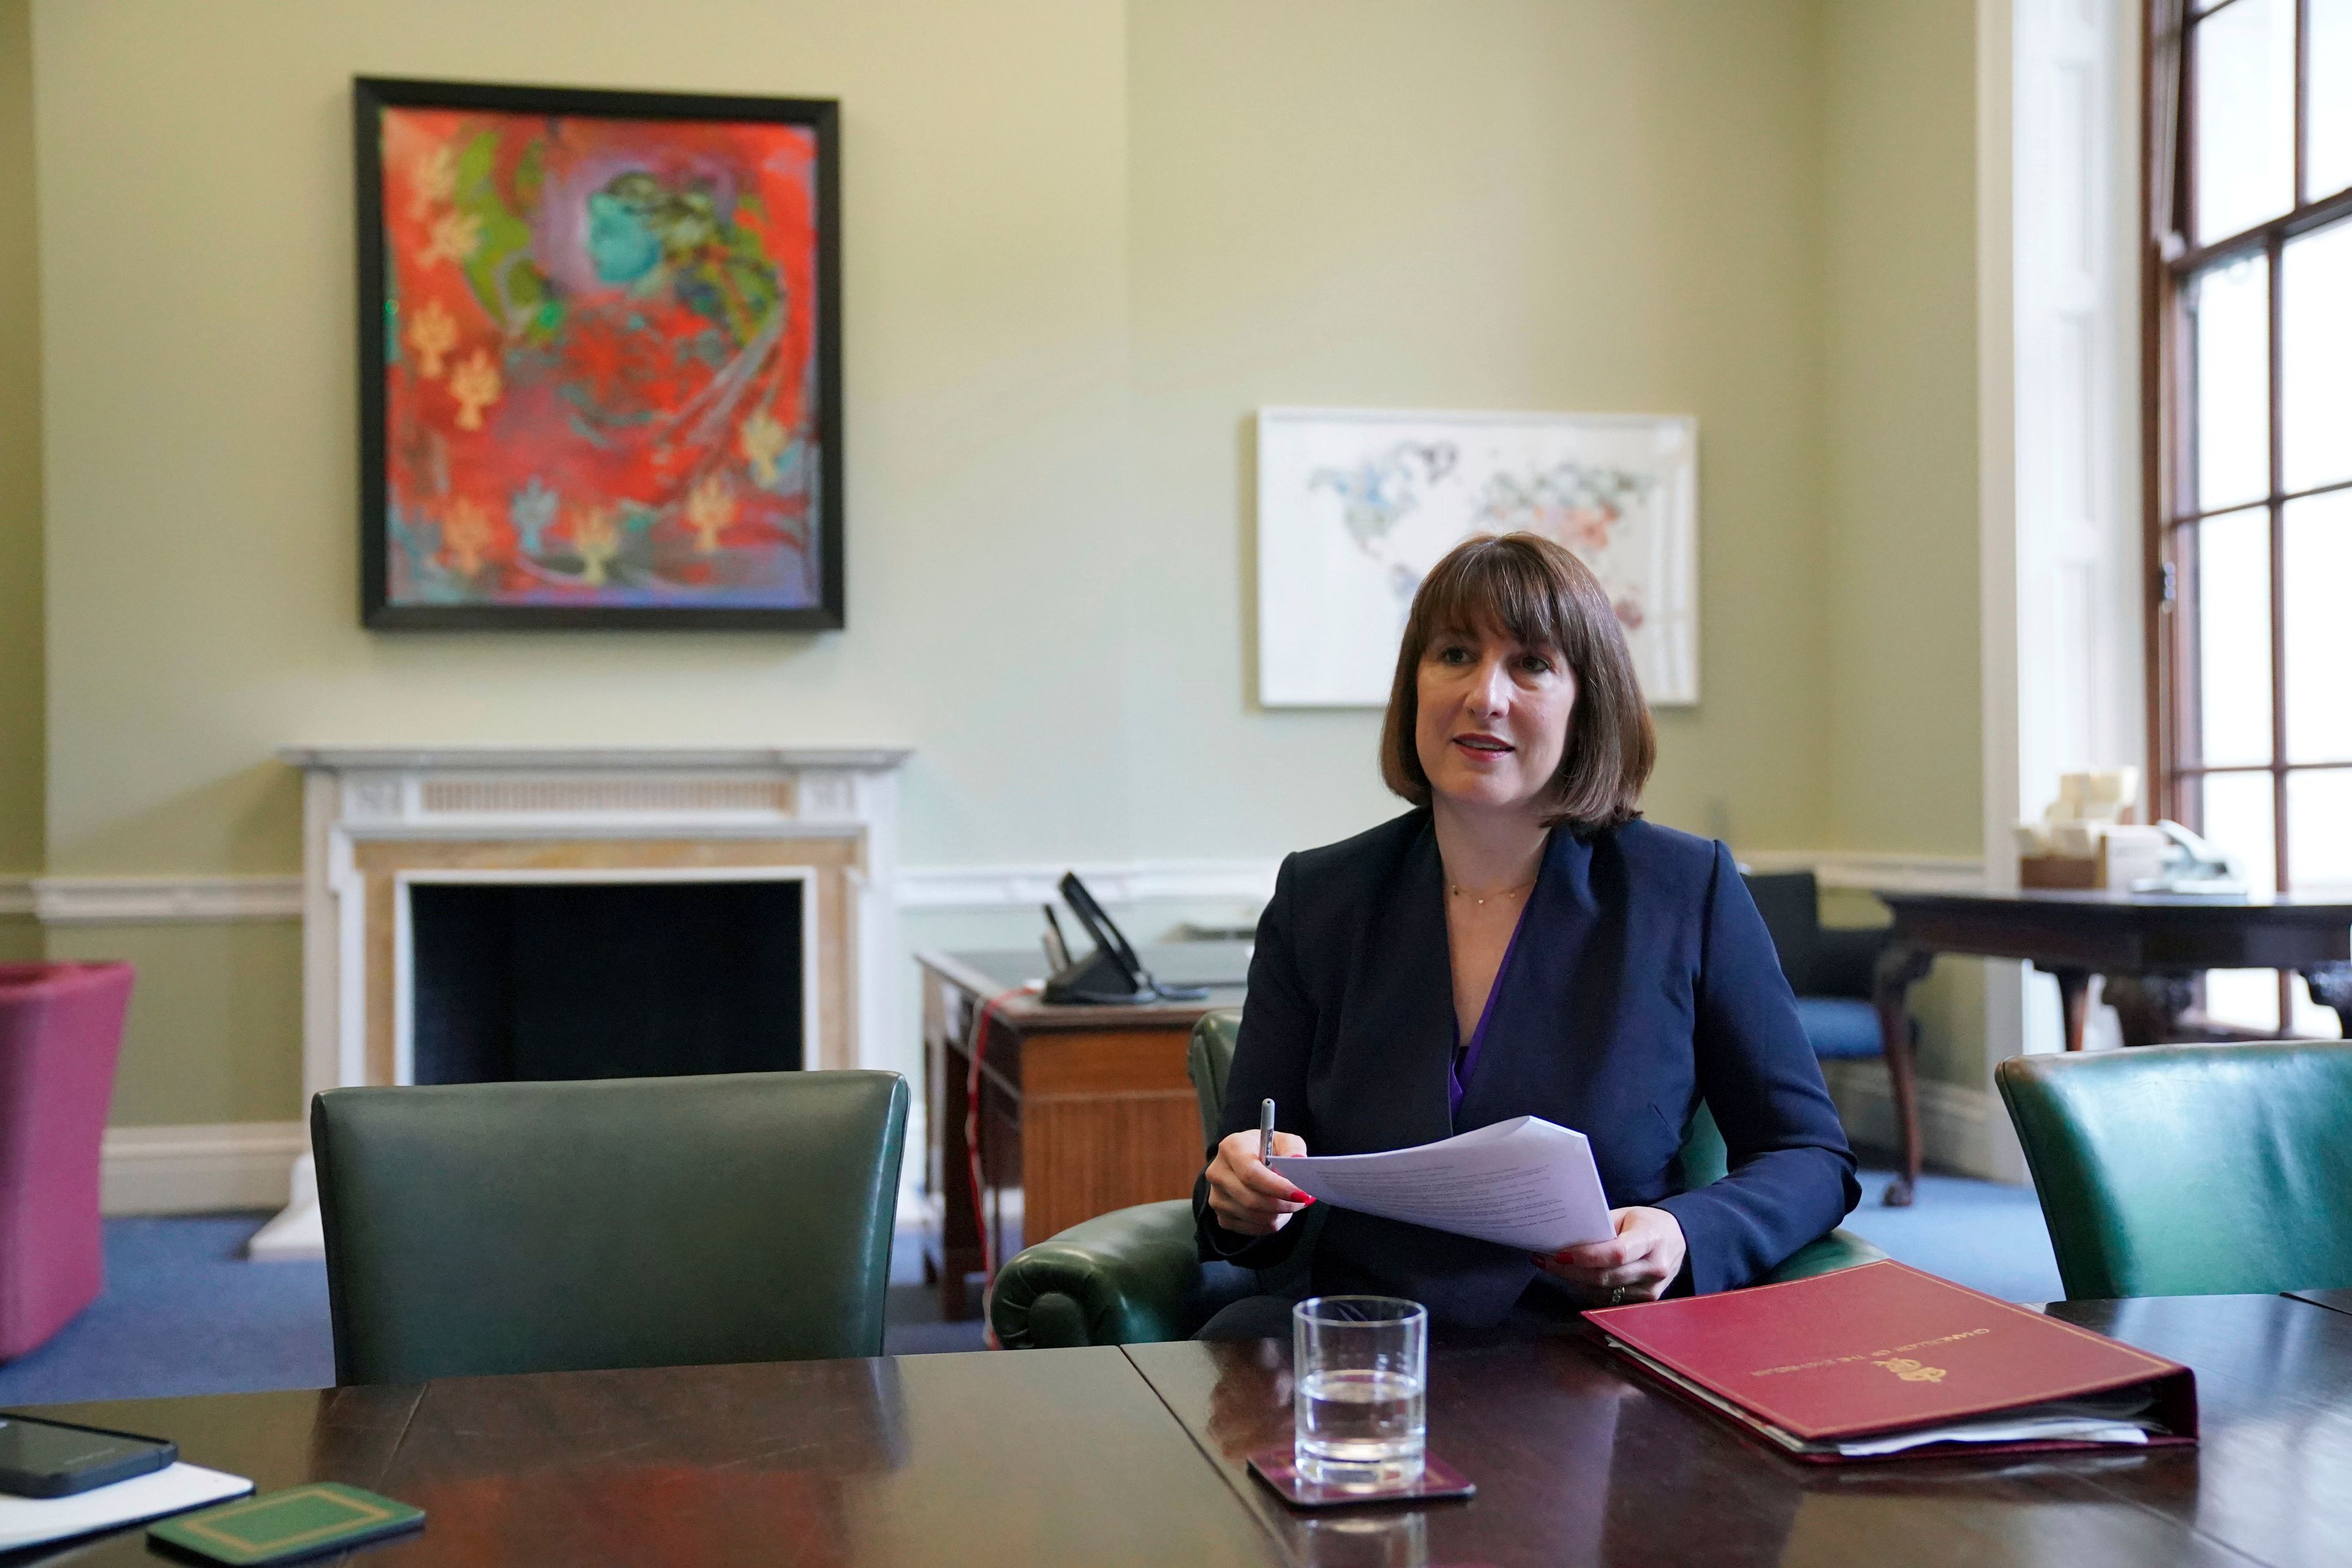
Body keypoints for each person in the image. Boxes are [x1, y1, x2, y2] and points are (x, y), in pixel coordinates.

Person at [1195, 532, 1858, 1336]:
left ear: (1590, 699)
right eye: (1454, 655)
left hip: (1597, 1344)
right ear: (1415, 685)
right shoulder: (1320, 895)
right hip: (1362, 1342)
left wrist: (1682, 1233)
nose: (1486, 696)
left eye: (1532, 665)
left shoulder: (1685, 890)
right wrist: (1241, 1193)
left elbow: (1809, 1156)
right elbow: (1239, 1178)